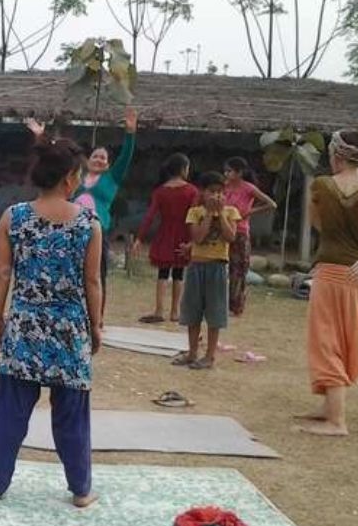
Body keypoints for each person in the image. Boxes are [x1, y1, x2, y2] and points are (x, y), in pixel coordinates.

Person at [0, 135, 102, 509]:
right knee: (72, 417)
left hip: (25, 327)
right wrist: (95, 327)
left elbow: (3, 273)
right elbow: (92, 282)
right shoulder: (88, 224)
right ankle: (81, 490)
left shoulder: (12, 217)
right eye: (77, 175)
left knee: (9, 414)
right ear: (67, 178)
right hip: (69, 331)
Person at [297, 127, 358, 437]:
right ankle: (328, 408)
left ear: (337, 155)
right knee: (346, 340)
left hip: (331, 273)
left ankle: (337, 421)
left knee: (325, 340)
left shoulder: (321, 185)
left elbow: (316, 223)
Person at [73, 106, 137, 321]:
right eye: (95, 156)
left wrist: (130, 133)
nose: (99, 159)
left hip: (98, 233)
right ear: (88, 159)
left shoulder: (111, 178)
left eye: (103, 158)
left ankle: (96, 319)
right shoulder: (76, 178)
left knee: (97, 275)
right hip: (73, 232)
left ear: (108, 164)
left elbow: (126, 157)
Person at [174, 171, 240, 370]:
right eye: (212, 191)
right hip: (197, 266)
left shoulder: (231, 212)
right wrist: (210, 214)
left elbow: (230, 237)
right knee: (192, 311)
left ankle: (210, 356)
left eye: (221, 192)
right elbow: (199, 238)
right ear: (203, 192)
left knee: (215, 312)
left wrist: (220, 215)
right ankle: (192, 352)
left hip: (218, 267)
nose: (217, 196)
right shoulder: (194, 213)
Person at [133, 153, 198, 323]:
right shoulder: (192, 191)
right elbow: (194, 214)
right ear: (184, 169)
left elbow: (150, 216)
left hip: (165, 233)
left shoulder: (160, 191)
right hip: (184, 233)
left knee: (163, 273)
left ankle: (159, 310)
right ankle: (175, 312)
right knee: (179, 273)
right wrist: (194, 239)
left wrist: (139, 238)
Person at [223, 156, 277, 317]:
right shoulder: (223, 187)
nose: (226, 174)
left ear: (239, 173)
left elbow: (271, 204)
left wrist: (249, 212)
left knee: (238, 269)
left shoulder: (248, 188)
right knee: (221, 268)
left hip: (240, 231)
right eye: (225, 171)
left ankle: (236, 304)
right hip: (223, 231)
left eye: (229, 171)